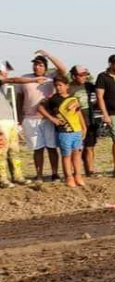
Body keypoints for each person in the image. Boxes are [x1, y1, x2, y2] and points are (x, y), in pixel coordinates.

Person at [11, 52, 64, 181]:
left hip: (48, 119)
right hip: (30, 119)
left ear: (45, 67)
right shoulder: (25, 79)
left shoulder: (51, 78)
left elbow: (62, 69)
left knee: (52, 148)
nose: (37, 67)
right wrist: (19, 118)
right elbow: (19, 98)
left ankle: (54, 173)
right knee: (37, 149)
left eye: (40, 65)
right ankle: (39, 175)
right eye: (35, 65)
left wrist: (48, 55)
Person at [37, 73, 86, 187]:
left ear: (66, 85)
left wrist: (84, 127)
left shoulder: (73, 98)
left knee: (77, 154)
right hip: (64, 132)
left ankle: (78, 175)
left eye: (60, 85)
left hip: (77, 131)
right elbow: (40, 107)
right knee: (66, 155)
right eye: (56, 85)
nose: (58, 88)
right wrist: (52, 118)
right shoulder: (53, 99)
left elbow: (78, 113)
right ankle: (69, 177)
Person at [67, 65, 100, 176]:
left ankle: (90, 171)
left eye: (85, 75)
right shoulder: (69, 89)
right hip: (75, 122)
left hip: (90, 120)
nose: (84, 77)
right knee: (76, 149)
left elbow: (100, 95)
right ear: (73, 76)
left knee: (89, 147)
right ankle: (74, 172)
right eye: (81, 75)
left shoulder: (89, 86)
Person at [0, 67, 27, 188]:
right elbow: (14, 79)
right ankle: (2, 179)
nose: (5, 75)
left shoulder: (3, 88)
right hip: (1, 122)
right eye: (2, 73)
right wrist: (35, 79)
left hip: (10, 121)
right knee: (2, 152)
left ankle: (17, 176)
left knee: (14, 150)